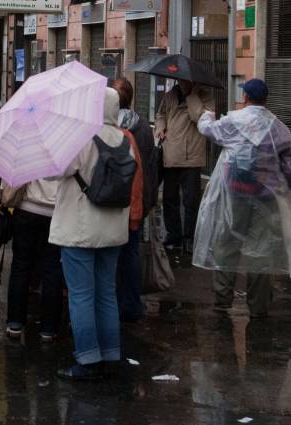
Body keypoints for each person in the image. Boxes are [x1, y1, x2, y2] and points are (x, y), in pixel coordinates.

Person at [191, 78, 291, 318]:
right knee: (261, 251)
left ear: (246, 97)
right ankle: (258, 305)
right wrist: (289, 189)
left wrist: (206, 115)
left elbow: (208, 130)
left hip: (236, 194)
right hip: (266, 198)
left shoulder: (234, 121)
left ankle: (223, 299)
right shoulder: (278, 127)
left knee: (227, 244)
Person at [50, 88, 131, 380]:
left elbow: (54, 171)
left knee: (81, 295)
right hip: (113, 229)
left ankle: (87, 359)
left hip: (80, 228)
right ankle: (111, 353)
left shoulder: (80, 138)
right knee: (107, 293)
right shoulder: (124, 139)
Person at [155, 78, 216, 254]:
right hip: (170, 154)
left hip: (192, 157)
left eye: (185, 81)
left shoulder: (205, 97)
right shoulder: (169, 96)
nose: (181, 84)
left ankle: (190, 239)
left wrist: (192, 96)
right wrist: (160, 127)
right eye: (179, 81)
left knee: (191, 202)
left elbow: (199, 118)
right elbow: (160, 115)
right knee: (169, 199)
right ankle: (173, 236)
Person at [0, 172, 63, 341]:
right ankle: (48, 328)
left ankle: (14, 323)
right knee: (52, 269)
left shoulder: (28, 145)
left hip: (27, 209)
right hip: (56, 213)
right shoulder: (65, 148)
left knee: (21, 266)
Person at [112, 78, 154, 321]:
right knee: (131, 252)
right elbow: (149, 165)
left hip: (114, 199)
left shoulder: (108, 128)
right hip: (138, 199)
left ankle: (115, 304)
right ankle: (133, 303)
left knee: (113, 255)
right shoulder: (143, 127)